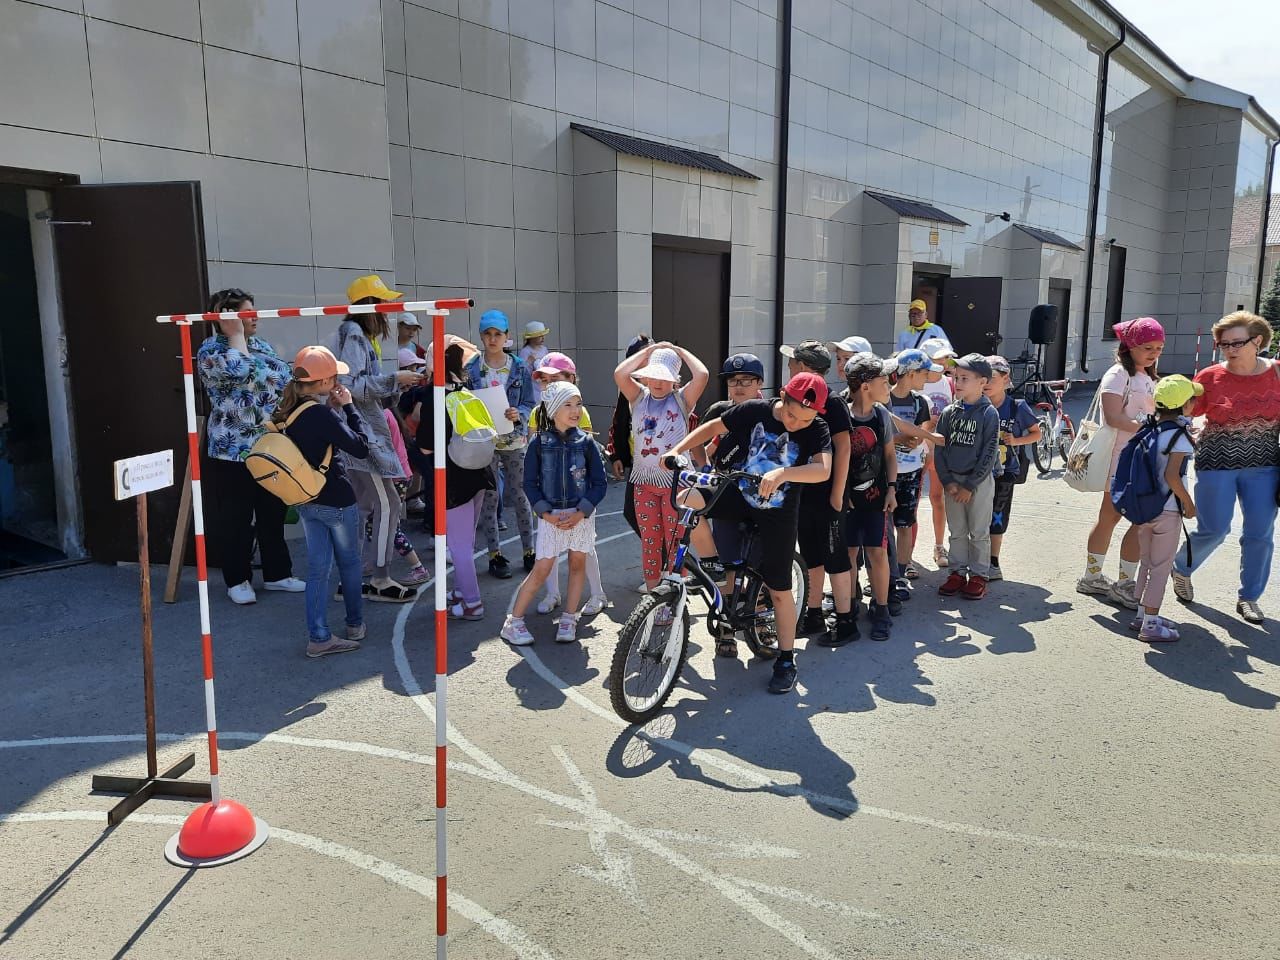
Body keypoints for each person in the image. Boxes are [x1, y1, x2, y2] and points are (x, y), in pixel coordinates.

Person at [662, 373, 833, 694]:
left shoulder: (816, 428)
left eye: (805, 419)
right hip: (737, 493)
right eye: (792, 414)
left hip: (777, 512)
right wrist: (678, 450)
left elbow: (822, 469)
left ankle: (786, 659)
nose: (796, 423)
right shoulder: (755, 410)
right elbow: (713, 428)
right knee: (685, 499)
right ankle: (710, 562)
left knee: (780, 589)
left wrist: (783, 473)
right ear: (783, 396)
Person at [197, 288, 304, 605]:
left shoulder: (262, 346)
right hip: (231, 449)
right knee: (236, 517)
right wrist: (235, 336)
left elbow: (283, 378)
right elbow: (239, 369)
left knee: (272, 512)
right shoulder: (210, 351)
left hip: (268, 443)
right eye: (246, 312)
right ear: (228, 318)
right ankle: (238, 578)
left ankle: (277, 574)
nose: (255, 316)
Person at [1171, 312, 1280, 623]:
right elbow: (1184, 413)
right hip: (1216, 464)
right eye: (1223, 344)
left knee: (1260, 534)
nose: (1229, 349)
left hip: (1265, 467)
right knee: (1215, 529)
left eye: (1237, 343)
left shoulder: (1277, 375)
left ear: (1257, 341)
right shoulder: (1209, 377)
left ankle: (1249, 597)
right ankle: (1181, 566)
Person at [331, 275, 424, 602]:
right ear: (369, 306)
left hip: (355, 431)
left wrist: (395, 384)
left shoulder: (352, 334)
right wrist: (394, 379)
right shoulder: (355, 335)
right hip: (361, 434)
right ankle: (379, 579)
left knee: (361, 508)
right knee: (389, 504)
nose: (389, 309)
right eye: (383, 303)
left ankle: (353, 578)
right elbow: (351, 385)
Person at [273, 346, 368, 658]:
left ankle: (319, 636)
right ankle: (354, 624)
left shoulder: (286, 411)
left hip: (305, 499)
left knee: (317, 570)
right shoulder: (322, 414)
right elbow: (360, 447)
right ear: (325, 383)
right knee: (350, 563)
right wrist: (350, 408)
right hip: (337, 500)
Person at [501, 382, 608, 646]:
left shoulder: (587, 443)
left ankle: (569, 618)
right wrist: (544, 513)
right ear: (552, 409)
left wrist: (582, 511)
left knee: (577, 564)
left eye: (578, 404)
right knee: (542, 568)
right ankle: (513, 622)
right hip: (551, 517)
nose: (575, 411)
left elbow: (599, 483)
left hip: (580, 517)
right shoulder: (538, 444)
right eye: (568, 405)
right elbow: (529, 484)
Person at [1078, 317, 1163, 609]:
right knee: (1122, 519)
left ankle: (1112, 580)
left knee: (1136, 521)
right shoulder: (1118, 374)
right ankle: (1106, 580)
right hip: (1121, 461)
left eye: (1158, 348)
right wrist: (1154, 430)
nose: (1154, 353)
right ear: (1130, 346)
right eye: (1148, 347)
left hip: (1142, 460)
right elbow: (1113, 418)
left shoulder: (1149, 377)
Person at [409, 335, 496, 621]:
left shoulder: (436, 398)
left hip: (453, 480)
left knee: (458, 547)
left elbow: (424, 445)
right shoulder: (466, 392)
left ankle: (472, 603)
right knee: (466, 541)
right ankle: (461, 593)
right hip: (479, 474)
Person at [613, 341, 709, 592]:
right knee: (650, 541)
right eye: (653, 376)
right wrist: (647, 354)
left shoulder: (682, 400)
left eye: (665, 378)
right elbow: (620, 374)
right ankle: (654, 592)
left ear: (675, 381)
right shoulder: (637, 397)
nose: (658, 383)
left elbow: (702, 375)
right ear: (645, 377)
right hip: (643, 481)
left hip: (675, 483)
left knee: (675, 538)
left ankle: (674, 592)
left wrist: (679, 351)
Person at [780, 341, 856, 648]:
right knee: (811, 554)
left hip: (827, 493)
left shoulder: (832, 402)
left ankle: (846, 620)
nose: (788, 367)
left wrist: (838, 493)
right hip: (804, 492)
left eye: (792, 362)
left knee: (835, 556)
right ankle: (812, 614)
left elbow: (844, 447)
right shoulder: (796, 399)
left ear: (804, 366)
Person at [528, 352, 609, 617]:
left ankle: (597, 593)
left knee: (584, 549)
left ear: (571, 379)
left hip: (578, 497)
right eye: (544, 379)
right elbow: (535, 446)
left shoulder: (576, 411)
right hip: (549, 496)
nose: (549, 384)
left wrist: (584, 504)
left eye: (556, 378)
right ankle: (553, 593)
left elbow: (586, 451)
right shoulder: (537, 413)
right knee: (548, 549)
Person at [466, 309, 537, 579]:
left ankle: (529, 550)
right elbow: (464, 403)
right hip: (485, 442)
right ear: (482, 336)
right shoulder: (472, 367)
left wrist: (519, 413)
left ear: (507, 337)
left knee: (520, 495)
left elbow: (530, 402)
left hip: (514, 440)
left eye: (498, 334)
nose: (493, 339)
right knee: (489, 496)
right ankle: (495, 554)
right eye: (488, 334)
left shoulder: (519, 367)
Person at [1130, 375, 1199, 641]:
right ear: (1185, 405)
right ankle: (1150, 625)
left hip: (1145, 507)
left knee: (1147, 563)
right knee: (1161, 566)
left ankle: (1141, 615)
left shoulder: (1150, 430)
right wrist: (1189, 503)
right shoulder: (1178, 437)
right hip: (1168, 510)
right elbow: (1173, 476)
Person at [934, 354, 1001, 600]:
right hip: (953, 481)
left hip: (978, 483)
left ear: (982, 381)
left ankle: (980, 574)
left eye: (964, 378)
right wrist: (948, 481)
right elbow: (940, 449)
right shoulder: (949, 412)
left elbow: (988, 454)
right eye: (955, 377)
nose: (957, 382)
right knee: (957, 530)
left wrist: (970, 485)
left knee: (979, 530)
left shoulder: (989, 414)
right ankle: (957, 572)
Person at [842, 354, 898, 640]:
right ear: (865, 386)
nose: (888, 386)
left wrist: (891, 488)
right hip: (847, 501)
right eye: (883, 381)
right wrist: (841, 494)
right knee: (849, 553)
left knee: (877, 552)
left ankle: (882, 607)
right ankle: (849, 604)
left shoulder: (882, 415)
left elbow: (889, 454)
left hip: (877, 501)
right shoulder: (841, 414)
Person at [982, 355, 1041, 581]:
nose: (985, 382)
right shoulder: (976, 404)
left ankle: (993, 561)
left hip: (1005, 471)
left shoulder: (1017, 406)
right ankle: (975, 559)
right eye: (982, 377)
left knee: (997, 517)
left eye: (991, 377)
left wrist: (1016, 441)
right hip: (977, 471)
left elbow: (1037, 433)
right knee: (976, 518)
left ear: (1005, 378)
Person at [886, 348, 940, 581]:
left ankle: (901, 570)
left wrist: (916, 438)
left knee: (905, 522)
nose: (927, 379)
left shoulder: (921, 402)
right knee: (883, 526)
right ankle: (883, 573)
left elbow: (922, 432)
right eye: (924, 373)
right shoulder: (883, 398)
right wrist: (899, 438)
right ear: (909, 373)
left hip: (911, 472)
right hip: (885, 471)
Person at [607, 334, 653, 541]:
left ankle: (674, 564)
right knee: (632, 512)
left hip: (664, 464)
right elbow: (619, 421)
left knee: (667, 517)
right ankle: (661, 556)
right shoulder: (629, 388)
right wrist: (616, 455)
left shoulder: (667, 385)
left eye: (649, 355)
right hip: (638, 463)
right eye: (640, 357)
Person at [919, 338, 957, 567]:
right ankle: (907, 554)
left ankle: (939, 546)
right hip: (915, 450)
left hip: (940, 450)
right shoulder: (918, 382)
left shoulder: (950, 383)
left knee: (937, 498)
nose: (946, 361)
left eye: (946, 357)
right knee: (910, 501)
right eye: (941, 357)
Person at [382, 403, 429, 585]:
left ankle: (418, 568)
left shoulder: (383, 416)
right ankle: (377, 562)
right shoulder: (388, 413)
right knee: (376, 526)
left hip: (394, 478)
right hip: (396, 476)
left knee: (389, 527)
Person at [519, 320, 552, 402]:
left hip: (544, 385)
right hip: (532, 388)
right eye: (540, 336)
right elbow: (521, 371)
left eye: (543, 335)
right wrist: (529, 362)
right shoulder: (525, 351)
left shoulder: (544, 349)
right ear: (531, 338)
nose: (543, 338)